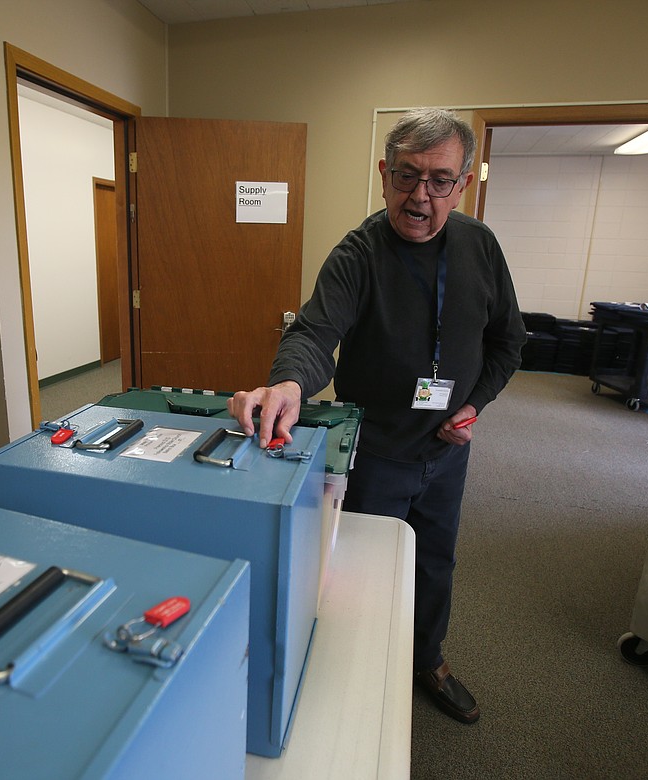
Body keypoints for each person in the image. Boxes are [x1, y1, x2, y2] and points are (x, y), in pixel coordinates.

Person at [228, 107, 526, 724]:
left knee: (435, 559)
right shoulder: (358, 254)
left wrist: (473, 403)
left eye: (439, 180)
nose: (421, 196)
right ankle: (357, 677)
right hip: (375, 453)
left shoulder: (481, 247)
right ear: (384, 173)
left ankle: (428, 659)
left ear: (462, 182)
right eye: (407, 176)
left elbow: (508, 341)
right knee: (357, 574)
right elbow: (314, 334)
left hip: (446, 452)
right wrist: (288, 384)